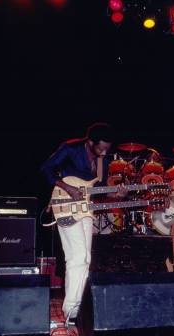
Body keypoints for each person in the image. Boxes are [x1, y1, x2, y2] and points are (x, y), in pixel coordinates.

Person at [41, 123, 125, 324]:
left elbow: (101, 189)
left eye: (107, 148)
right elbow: (46, 169)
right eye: (100, 148)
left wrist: (117, 193)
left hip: (85, 210)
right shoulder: (71, 148)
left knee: (85, 258)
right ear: (90, 142)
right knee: (77, 256)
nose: (104, 152)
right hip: (65, 204)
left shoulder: (101, 160)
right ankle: (71, 309)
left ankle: (75, 308)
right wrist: (68, 187)